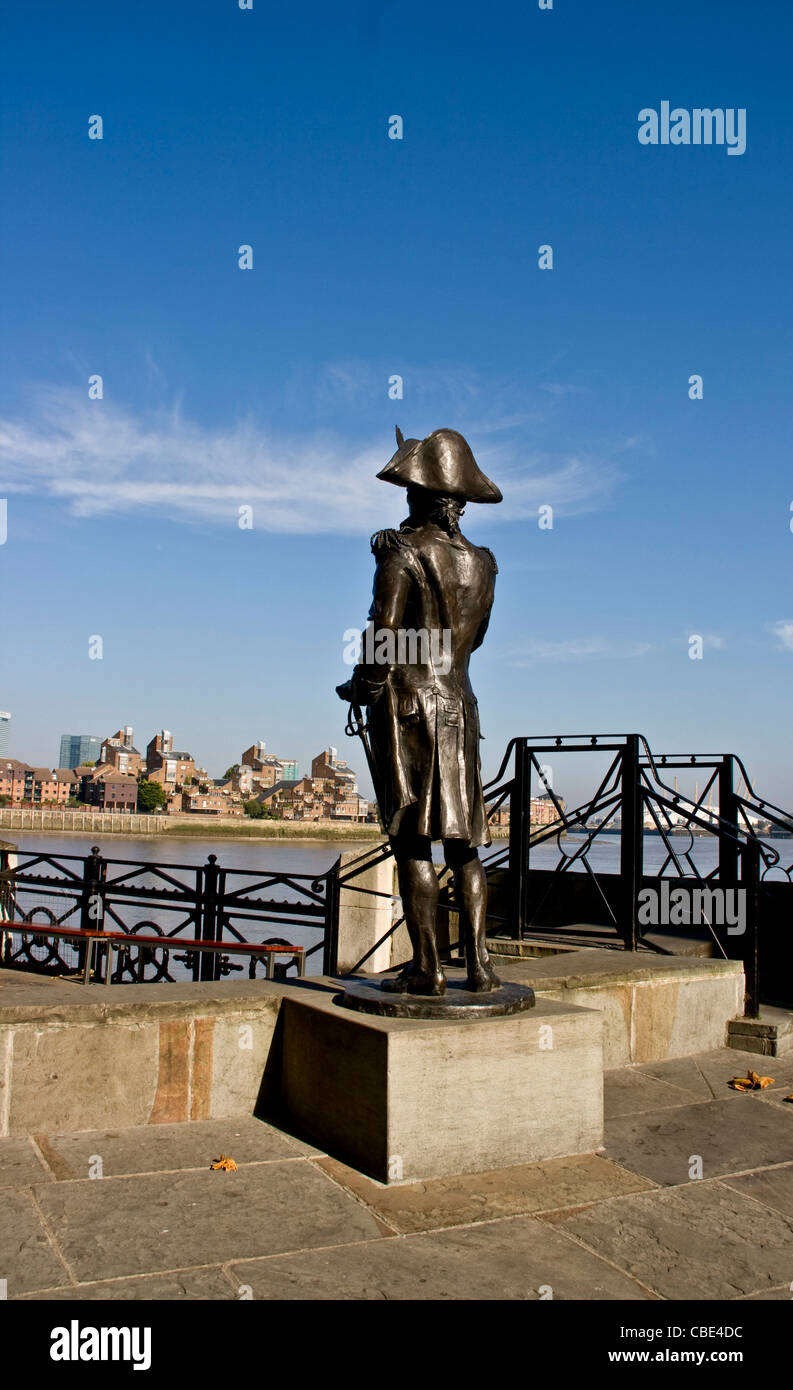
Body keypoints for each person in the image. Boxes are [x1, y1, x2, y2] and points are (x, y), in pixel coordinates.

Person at [337, 426, 503, 995]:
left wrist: (361, 685)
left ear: (419, 497)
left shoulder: (401, 552)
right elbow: (473, 642)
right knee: (465, 845)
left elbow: (383, 634)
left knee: (413, 841)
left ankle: (427, 969)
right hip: (461, 704)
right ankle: (480, 967)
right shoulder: (484, 564)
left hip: (410, 708)